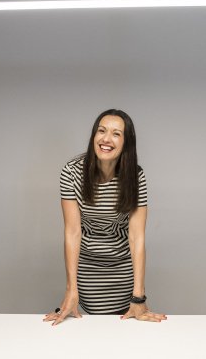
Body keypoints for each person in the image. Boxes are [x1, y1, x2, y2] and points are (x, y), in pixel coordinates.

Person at [43, 109, 167, 326]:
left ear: (126, 143)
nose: (106, 139)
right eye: (101, 131)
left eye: (116, 134)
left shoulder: (135, 176)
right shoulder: (71, 172)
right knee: (97, 330)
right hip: (87, 268)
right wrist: (71, 290)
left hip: (123, 269)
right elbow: (73, 232)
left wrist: (138, 296)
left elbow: (136, 237)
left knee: (122, 330)